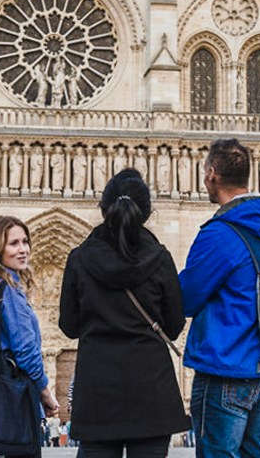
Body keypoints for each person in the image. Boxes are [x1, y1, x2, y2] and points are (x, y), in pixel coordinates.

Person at [58, 168, 191, 458]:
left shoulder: (79, 259)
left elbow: (69, 325)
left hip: (97, 390)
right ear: (145, 212)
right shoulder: (160, 258)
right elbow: (174, 324)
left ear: (104, 209)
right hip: (151, 389)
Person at [179, 138, 260, 458]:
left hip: (226, 370)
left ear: (212, 174)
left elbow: (186, 298)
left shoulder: (219, 233)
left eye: (205, 171)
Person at [0, 215, 61, 456]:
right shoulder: (7, 291)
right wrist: (45, 393)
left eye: (25, 242)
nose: (24, 249)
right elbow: (26, 351)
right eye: (14, 243)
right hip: (13, 404)